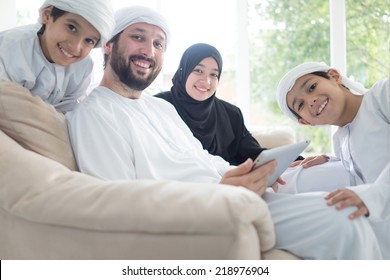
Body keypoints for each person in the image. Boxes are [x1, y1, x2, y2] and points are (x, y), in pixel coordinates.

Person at [67, 6, 382, 259]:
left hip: (237, 195)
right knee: (346, 220)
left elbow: (203, 158)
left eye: (158, 43)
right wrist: (218, 191)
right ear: (108, 44)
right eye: (138, 37)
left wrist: (248, 172)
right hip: (209, 210)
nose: (149, 50)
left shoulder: (160, 109)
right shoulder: (93, 114)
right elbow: (115, 202)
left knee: (343, 203)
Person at [276, 61, 390, 258]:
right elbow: (371, 157)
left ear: (335, 76)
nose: (311, 100)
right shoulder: (340, 141)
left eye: (311, 87)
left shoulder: (381, 95)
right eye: (300, 104)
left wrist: (373, 196)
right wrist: (331, 159)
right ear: (305, 122)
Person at [155, 43, 268, 165]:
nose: (206, 81)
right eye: (198, 70)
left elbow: (254, 154)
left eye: (213, 74)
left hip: (229, 183)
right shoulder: (159, 107)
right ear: (183, 71)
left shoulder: (231, 114)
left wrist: (284, 161)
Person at [0, 0, 115, 112]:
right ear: (47, 15)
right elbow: (8, 108)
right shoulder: (11, 48)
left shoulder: (83, 66)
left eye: (89, 41)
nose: (75, 47)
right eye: (72, 28)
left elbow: (69, 114)